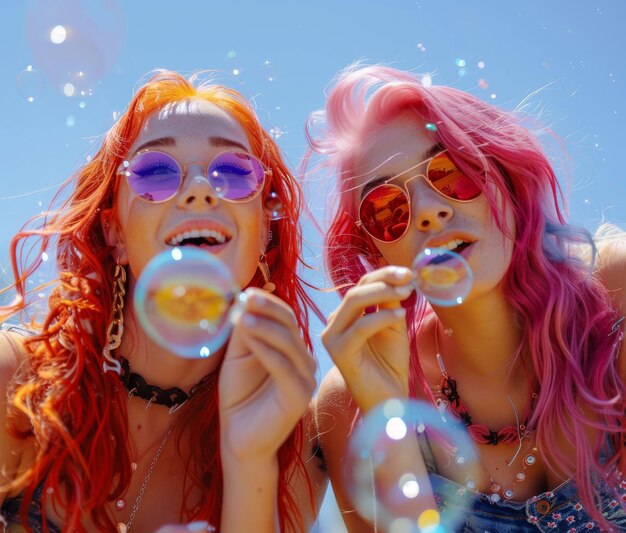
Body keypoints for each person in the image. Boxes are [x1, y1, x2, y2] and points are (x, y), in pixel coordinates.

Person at [0, 70, 326, 532]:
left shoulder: (293, 442)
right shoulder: (14, 387)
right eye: (155, 172)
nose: (200, 189)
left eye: (233, 172)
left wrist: (248, 459)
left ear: (264, 232)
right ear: (114, 233)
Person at [307, 64, 626, 531]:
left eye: (452, 172)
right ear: (375, 250)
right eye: (387, 208)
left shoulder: (613, 298)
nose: (429, 212)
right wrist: (386, 411)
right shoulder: (349, 399)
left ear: (507, 177)